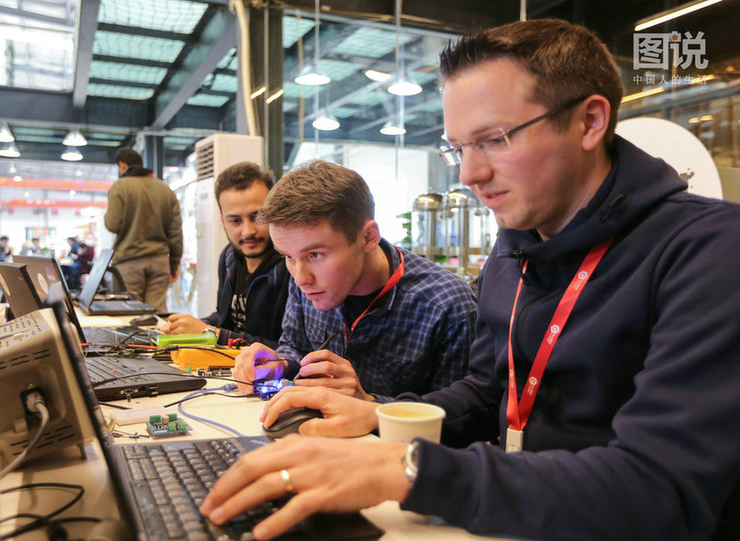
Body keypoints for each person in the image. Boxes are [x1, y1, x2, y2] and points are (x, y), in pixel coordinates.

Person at [200, 19, 740, 541]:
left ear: (590, 122)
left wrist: (410, 468)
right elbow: (486, 395)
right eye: (458, 148)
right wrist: (378, 414)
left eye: (495, 139)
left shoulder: (709, 250)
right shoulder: (513, 249)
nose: (469, 174)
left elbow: (660, 489)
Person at [232, 160, 478, 401]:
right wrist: (280, 364)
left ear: (368, 237)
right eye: (288, 257)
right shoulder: (306, 279)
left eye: (315, 255)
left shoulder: (446, 307)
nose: (300, 278)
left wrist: (368, 403)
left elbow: (458, 418)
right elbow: (295, 347)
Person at [158, 162, 289, 349]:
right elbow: (225, 319)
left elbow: (289, 351)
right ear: (222, 220)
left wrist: (209, 332)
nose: (248, 231)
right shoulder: (229, 258)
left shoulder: (292, 267)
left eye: (257, 217)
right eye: (235, 220)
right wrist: (188, 326)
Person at [104, 148, 183, 312]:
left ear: (122, 165)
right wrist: (174, 264)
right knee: (157, 314)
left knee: (131, 314)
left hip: (129, 262)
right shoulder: (165, 189)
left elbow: (113, 225)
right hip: (159, 262)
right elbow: (176, 232)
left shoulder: (120, 187)